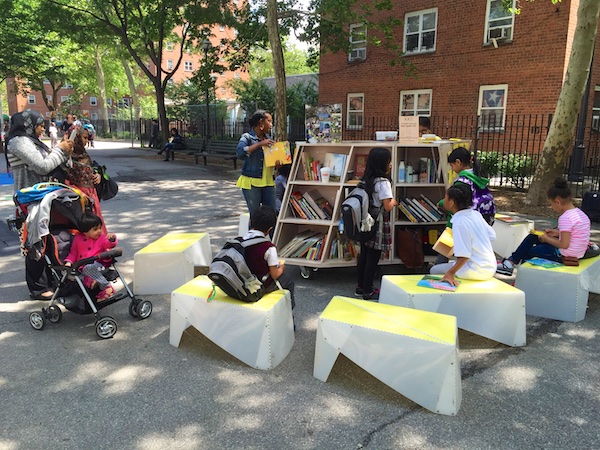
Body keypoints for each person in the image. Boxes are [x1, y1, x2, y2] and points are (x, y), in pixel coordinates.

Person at [6, 109, 74, 300]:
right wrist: (60, 150)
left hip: (46, 198)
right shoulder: (18, 141)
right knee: (35, 241)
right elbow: (42, 166)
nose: (42, 129)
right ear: (28, 124)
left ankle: (52, 279)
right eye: (40, 125)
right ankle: (38, 287)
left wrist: (65, 152)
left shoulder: (32, 141)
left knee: (50, 238)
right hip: (30, 199)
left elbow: (54, 163)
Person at [497, 178, 591, 276]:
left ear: (557, 202)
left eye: (551, 204)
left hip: (563, 255)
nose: (551, 207)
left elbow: (564, 245)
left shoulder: (566, 218)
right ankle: (509, 263)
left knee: (529, 252)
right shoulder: (581, 214)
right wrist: (557, 233)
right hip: (577, 253)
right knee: (533, 236)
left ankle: (522, 278)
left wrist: (546, 238)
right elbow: (576, 234)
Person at [435, 146, 496, 265]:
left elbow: (454, 199)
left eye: (452, 166)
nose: (452, 169)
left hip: (465, 217)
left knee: (445, 248)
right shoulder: (479, 176)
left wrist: (441, 203)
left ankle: (440, 270)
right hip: (483, 218)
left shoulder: (462, 181)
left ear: (458, 162)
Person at [430, 183, 497, 286]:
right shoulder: (475, 214)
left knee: (434, 270)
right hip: (490, 266)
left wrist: (450, 273)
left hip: (475, 270)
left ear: (452, 202)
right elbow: (492, 236)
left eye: (445, 198)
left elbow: (464, 256)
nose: (444, 200)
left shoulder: (459, 222)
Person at [355, 147, 397, 300]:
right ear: (382, 164)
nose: (391, 164)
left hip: (366, 219)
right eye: (389, 161)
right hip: (378, 222)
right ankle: (368, 290)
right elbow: (387, 206)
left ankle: (360, 287)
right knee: (373, 258)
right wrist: (394, 202)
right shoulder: (383, 182)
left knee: (365, 255)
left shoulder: (366, 179)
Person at [243, 205, 295, 308]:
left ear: (250, 222)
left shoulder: (241, 240)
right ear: (270, 229)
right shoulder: (269, 248)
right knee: (288, 281)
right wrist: (282, 267)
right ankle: (289, 310)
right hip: (260, 284)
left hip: (243, 280)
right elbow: (275, 274)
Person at [64, 211, 118, 301]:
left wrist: (112, 239)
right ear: (85, 232)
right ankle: (92, 282)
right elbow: (73, 253)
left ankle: (107, 287)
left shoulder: (101, 238)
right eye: (95, 229)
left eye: (100, 228)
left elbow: (109, 244)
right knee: (71, 276)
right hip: (82, 267)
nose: (99, 231)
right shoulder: (78, 239)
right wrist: (68, 262)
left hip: (100, 265)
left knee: (88, 268)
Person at [63, 128, 107, 234]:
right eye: (84, 138)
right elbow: (62, 180)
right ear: (76, 137)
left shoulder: (84, 154)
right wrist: (78, 193)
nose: (86, 141)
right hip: (77, 198)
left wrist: (98, 174)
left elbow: (93, 167)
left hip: (92, 195)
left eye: (88, 138)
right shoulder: (65, 157)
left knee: (96, 227)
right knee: (84, 230)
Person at [236, 110, 276, 215]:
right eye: (269, 121)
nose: (271, 125)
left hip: (268, 182)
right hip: (252, 182)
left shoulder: (269, 139)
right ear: (261, 123)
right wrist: (260, 144)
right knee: (255, 216)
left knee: (271, 214)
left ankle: (270, 232)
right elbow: (240, 152)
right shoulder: (247, 137)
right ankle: (254, 232)